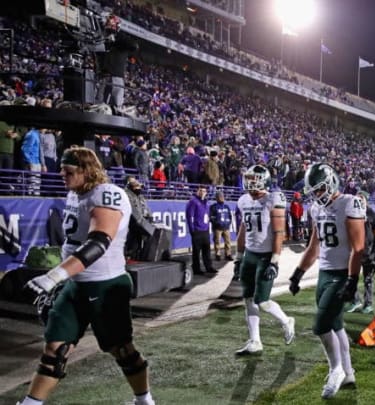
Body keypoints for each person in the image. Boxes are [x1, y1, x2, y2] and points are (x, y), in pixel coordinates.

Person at [20, 146, 154, 405]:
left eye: (69, 170)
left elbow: (98, 243)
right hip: (76, 283)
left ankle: (144, 400)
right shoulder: (76, 193)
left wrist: (54, 276)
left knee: (122, 350)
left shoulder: (107, 194)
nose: (62, 174)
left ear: (86, 170)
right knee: (55, 350)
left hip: (105, 285)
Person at [287, 163, 365, 399]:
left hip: (341, 273)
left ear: (331, 183)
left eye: (320, 190)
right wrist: (298, 273)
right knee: (336, 325)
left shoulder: (349, 203)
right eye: (314, 192)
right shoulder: (315, 209)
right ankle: (348, 372)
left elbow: (358, 248)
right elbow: (314, 246)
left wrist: (352, 280)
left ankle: (336, 370)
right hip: (324, 273)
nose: (317, 195)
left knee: (320, 325)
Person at [234, 165, 295, 355]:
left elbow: (279, 232)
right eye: (249, 178)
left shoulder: (273, 199)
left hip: (266, 255)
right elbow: (243, 230)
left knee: (262, 301)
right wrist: (238, 257)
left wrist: (275, 261)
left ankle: (286, 321)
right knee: (248, 298)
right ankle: (255, 341)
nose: (250, 183)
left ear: (263, 180)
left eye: (254, 179)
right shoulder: (244, 200)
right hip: (250, 254)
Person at [94, 15, 139, 114]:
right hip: (104, 77)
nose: (109, 27)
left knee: (111, 108)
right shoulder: (102, 39)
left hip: (114, 78)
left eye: (112, 25)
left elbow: (134, 45)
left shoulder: (121, 41)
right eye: (108, 24)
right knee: (100, 107)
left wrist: (117, 37)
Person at [346, 190, 375, 314]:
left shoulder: (372, 214)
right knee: (351, 277)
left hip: (368, 252)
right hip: (355, 252)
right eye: (358, 198)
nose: (359, 200)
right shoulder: (351, 213)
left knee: (368, 280)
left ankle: (368, 303)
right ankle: (355, 300)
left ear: (366, 200)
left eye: (362, 198)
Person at [185, 185, 216, 275]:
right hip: (197, 231)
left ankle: (208, 267)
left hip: (205, 230)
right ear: (197, 191)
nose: (202, 192)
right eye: (200, 190)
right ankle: (196, 269)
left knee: (207, 250)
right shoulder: (193, 201)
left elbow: (207, 216)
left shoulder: (207, 203)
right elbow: (189, 216)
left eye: (204, 191)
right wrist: (192, 230)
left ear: (206, 193)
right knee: (196, 251)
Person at [209, 191, 233, 261]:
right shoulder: (213, 207)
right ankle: (217, 255)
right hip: (217, 228)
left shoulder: (226, 206)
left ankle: (228, 254)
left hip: (226, 228)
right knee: (217, 242)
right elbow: (211, 217)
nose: (221, 197)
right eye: (220, 196)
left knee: (228, 242)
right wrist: (216, 223)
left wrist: (228, 223)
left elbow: (230, 216)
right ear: (216, 198)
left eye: (222, 196)